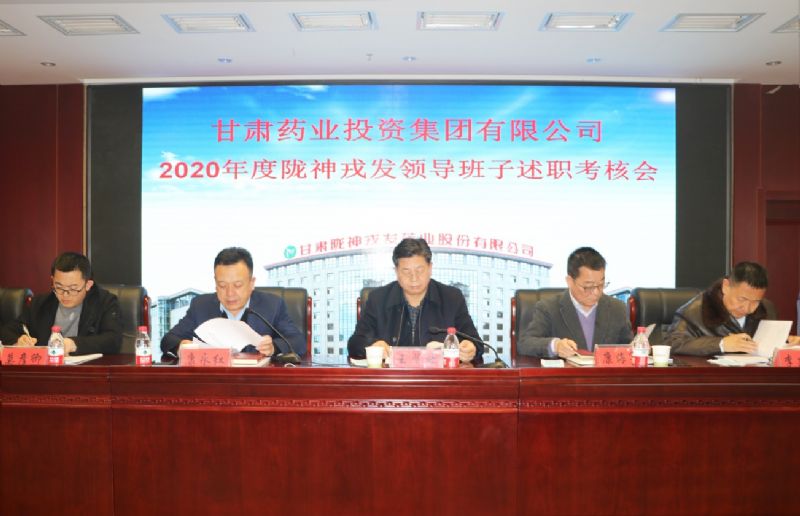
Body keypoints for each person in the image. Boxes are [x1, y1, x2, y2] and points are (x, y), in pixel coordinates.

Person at [348, 238, 483, 364]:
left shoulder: (452, 298)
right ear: (396, 272)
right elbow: (355, 343)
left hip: (438, 379)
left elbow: (476, 342)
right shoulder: (378, 299)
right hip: (392, 378)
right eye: (406, 271)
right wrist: (373, 345)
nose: (414, 278)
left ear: (430, 268)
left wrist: (471, 348)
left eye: (420, 270)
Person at [160, 247, 306, 358]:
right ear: (215, 284)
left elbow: (298, 341)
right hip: (214, 384)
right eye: (222, 285)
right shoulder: (200, 306)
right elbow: (168, 340)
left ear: (251, 283)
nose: (230, 293)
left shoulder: (272, 305)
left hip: (256, 384)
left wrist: (274, 347)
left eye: (237, 285)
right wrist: (181, 346)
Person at [665, 261, 800, 356]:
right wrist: (721, 344)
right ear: (726, 286)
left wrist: (786, 342)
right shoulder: (694, 311)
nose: (747, 308)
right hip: (711, 379)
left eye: (756, 302)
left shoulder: (766, 308)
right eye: (742, 299)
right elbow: (672, 344)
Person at [518, 246, 632, 358]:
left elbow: (629, 347)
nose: (596, 292)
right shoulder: (548, 308)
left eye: (601, 284)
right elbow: (525, 343)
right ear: (570, 281)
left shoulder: (617, 309)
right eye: (588, 286)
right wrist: (556, 346)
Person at [0, 251, 123, 355]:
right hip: (47, 370)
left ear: (88, 285)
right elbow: (7, 331)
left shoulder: (105, 302)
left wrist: (73, 344)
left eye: (73, 289)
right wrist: (19, 340)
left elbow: (113, 340)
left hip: (87, 371)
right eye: (59, 287)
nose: (65, 295)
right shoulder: (40, 303)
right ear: (52, 280)